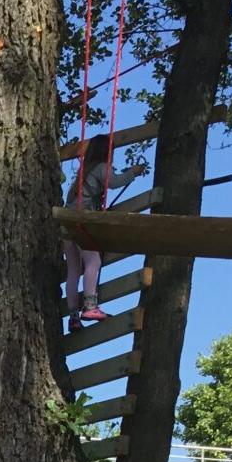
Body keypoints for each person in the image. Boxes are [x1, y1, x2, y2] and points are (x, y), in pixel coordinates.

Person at [62, 133, 148, 331]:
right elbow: (114, 182)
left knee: (74, 270)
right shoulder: (101, 168)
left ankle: (73, 316)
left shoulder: (82, 175)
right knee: (93, 261)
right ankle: (90, 306)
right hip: (82, 219)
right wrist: (133, 172)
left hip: (67, 222)